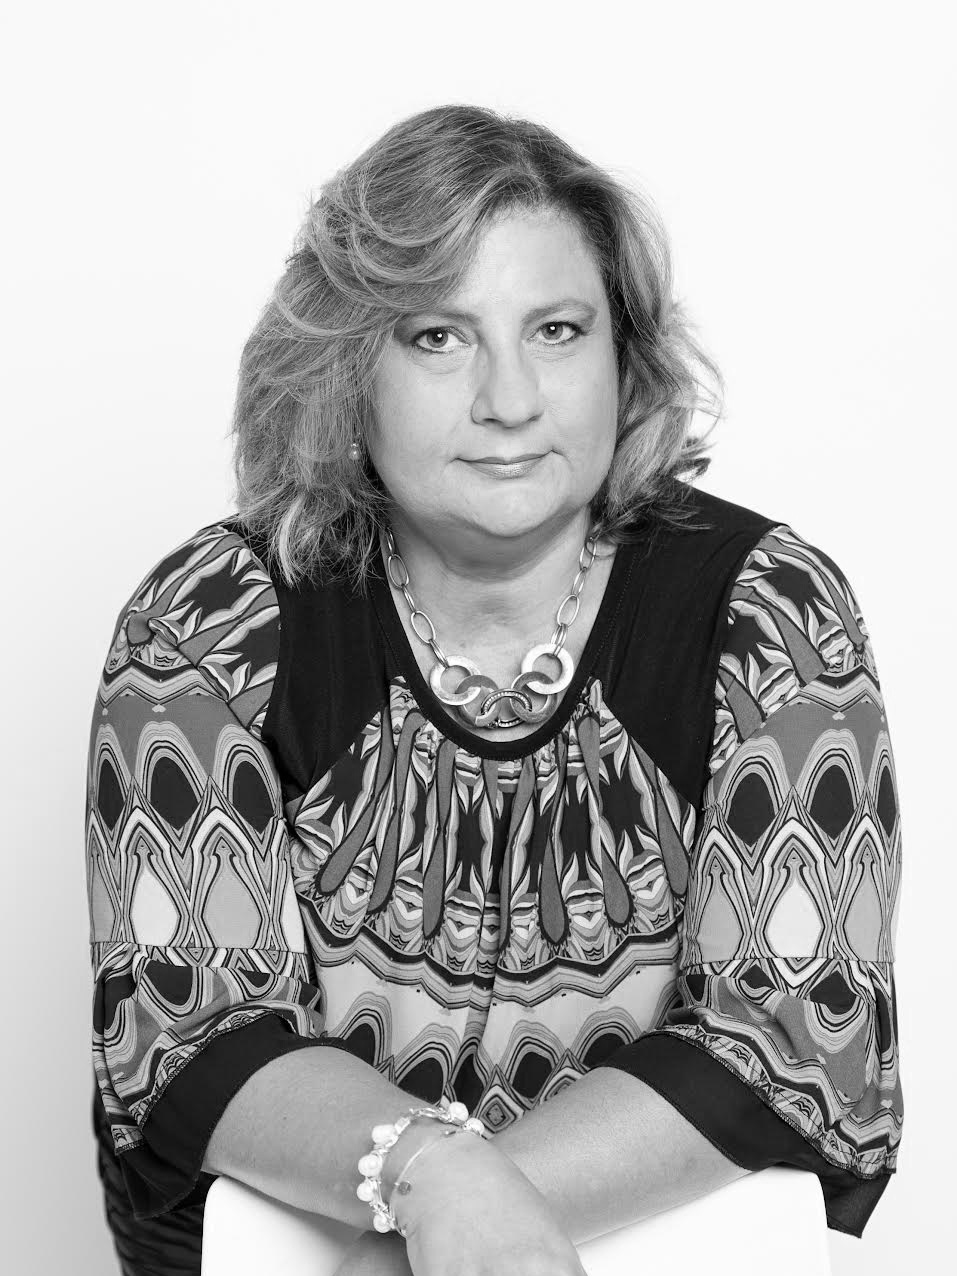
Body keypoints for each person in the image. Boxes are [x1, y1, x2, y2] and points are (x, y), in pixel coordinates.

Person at [86, 103, 904, 1276]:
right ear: (343, 364)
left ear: (624, 356)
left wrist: (440, 1228)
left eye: (557, 330)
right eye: (439, 337)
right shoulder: (209, 623)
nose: (509, 399)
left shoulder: (771, 614)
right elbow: (183, 1042)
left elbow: (794, 1044)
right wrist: (430, 1177)